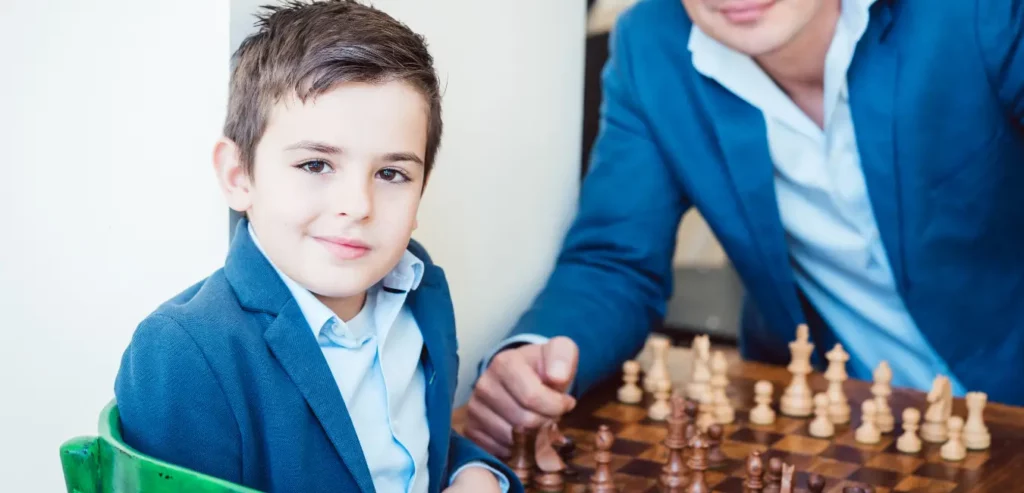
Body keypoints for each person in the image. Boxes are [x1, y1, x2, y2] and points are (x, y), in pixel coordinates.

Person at [464, 0, 1024, 458]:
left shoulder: (977, 11)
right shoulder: (649, 45)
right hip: (826, 425)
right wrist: (536, 357)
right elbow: (615, 263)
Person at [113, 2, 520, 492]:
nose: (357, 205)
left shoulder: (422, 290)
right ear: (238, 174)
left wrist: (475, 475)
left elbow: (411, 446)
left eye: (391, 173)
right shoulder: (182, 353)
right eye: (316, 165)